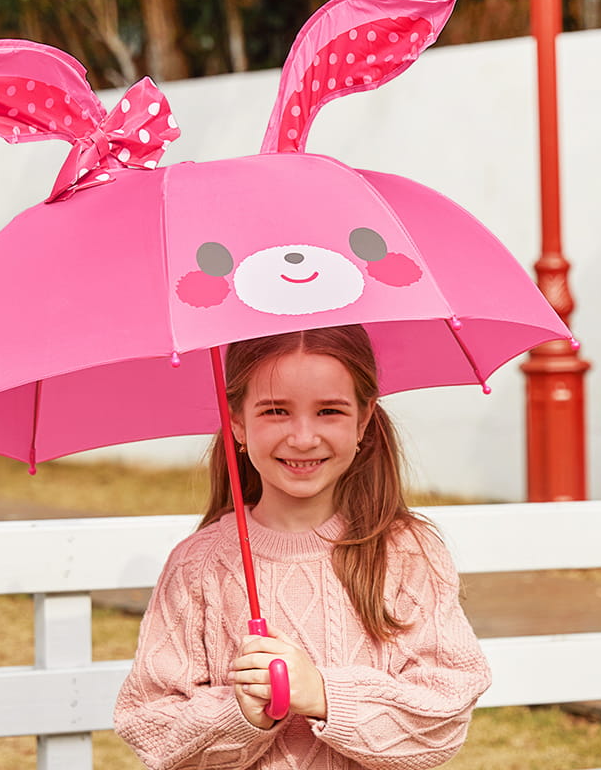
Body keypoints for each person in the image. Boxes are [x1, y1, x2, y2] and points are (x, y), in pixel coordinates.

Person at [114, 325, 491, 769]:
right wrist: (239, 715)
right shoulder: (198, 566)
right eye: (275, 411)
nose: (303, 438)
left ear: (363, 420)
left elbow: (444, 712)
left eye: (329, 410)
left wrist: (322, 694)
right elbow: (150, 728)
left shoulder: (405, 553)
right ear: (237, 420)